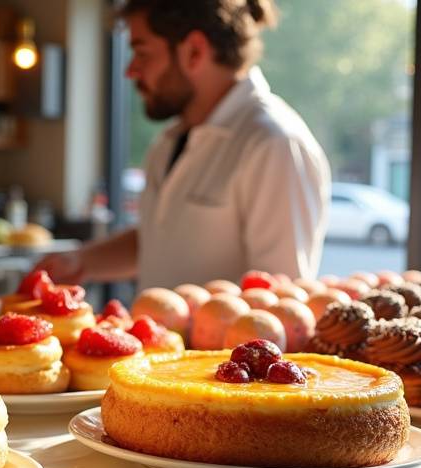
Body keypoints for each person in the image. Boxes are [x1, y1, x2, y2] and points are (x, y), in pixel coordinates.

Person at [39, 0, 329, 288]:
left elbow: (282, 297)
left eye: (141, 52)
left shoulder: (274, 144)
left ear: (194, 51)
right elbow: (157, 242)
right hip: (161, 335)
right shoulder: (170, 140)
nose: (130, 70)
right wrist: (80, 261)